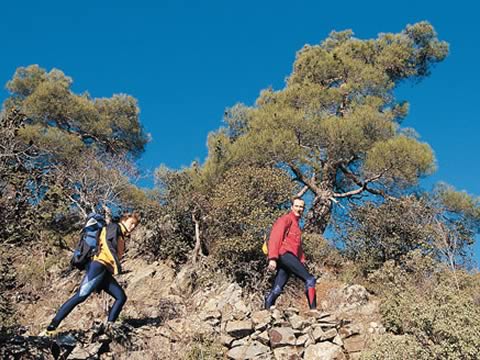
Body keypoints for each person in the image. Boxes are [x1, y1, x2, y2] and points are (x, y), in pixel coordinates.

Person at [45, 212, 141, 334]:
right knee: (81, 295)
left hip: (104, 270)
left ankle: (109, 327)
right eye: (131, 223)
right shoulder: (114, 227)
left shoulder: (121, 236)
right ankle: (52, 327)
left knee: (121, 297)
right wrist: (116, 265)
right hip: (98, 266)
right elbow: (106, 244)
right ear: (124, 219)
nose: (133, 227)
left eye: (135, 225)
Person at [265, 197, 316, 309]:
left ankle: (266, 311)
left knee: (277, 289)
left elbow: (297, 246)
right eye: (296, 206)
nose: (299, 209)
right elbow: (275, 237)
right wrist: (272, 258)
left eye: (301, 207)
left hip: (289, 258)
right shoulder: (286, 219)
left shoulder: (296, 225)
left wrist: (301, 260)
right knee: (310, 279)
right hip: (285, 255)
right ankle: (314, 311)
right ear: (292, 207)